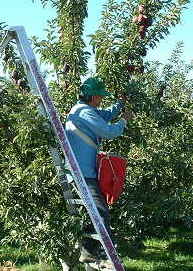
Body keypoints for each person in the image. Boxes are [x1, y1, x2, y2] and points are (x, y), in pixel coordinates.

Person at [64, 77, 132, 269]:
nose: (102, 99)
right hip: (82, 172)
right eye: (100, 97)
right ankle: (105, 255)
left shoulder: (83, 110)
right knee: (101, 211)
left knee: (92, 210)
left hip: (84, 170)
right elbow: (110, 131)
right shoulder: (85, 113)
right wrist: (124, 121)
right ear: (93, 97)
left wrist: (120, 103)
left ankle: (88, 251)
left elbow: (104, 115)